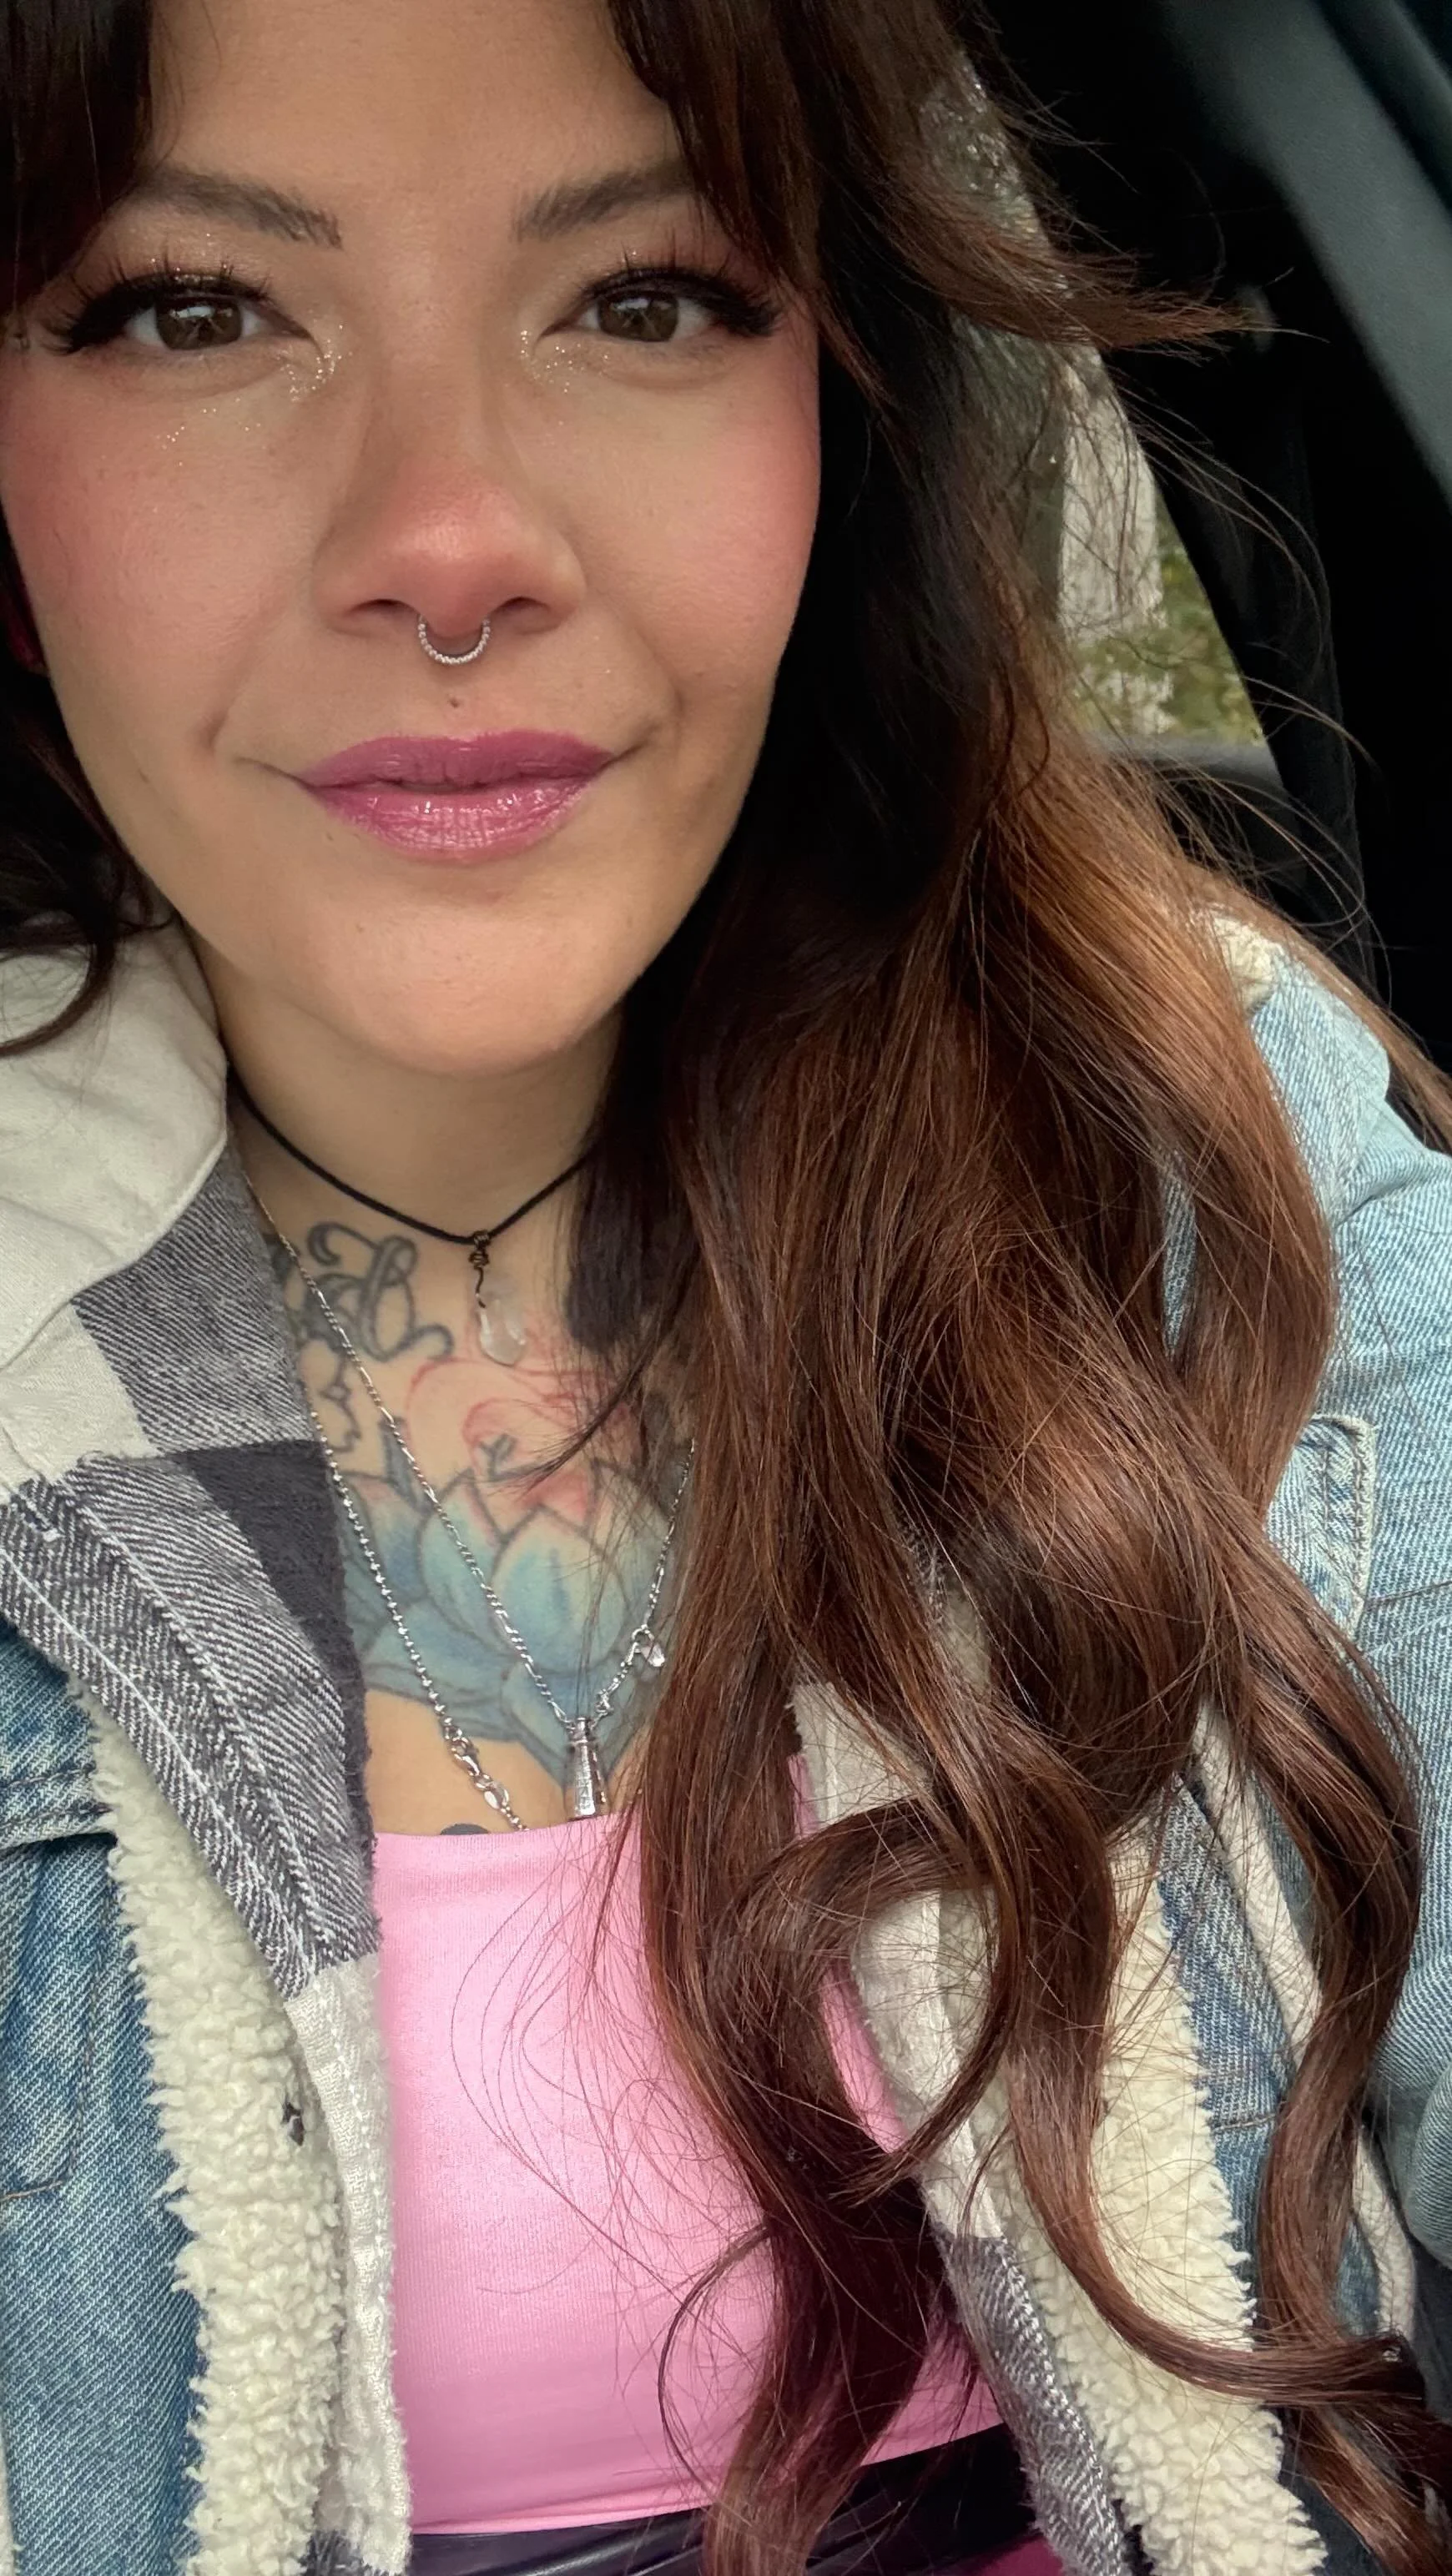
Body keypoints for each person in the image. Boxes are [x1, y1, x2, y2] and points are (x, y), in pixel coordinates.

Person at [2, 0, 1451, 2568]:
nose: (451, 535)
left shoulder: (1202, 1153)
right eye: (194, 308)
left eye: (646, 293)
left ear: (840, 416)